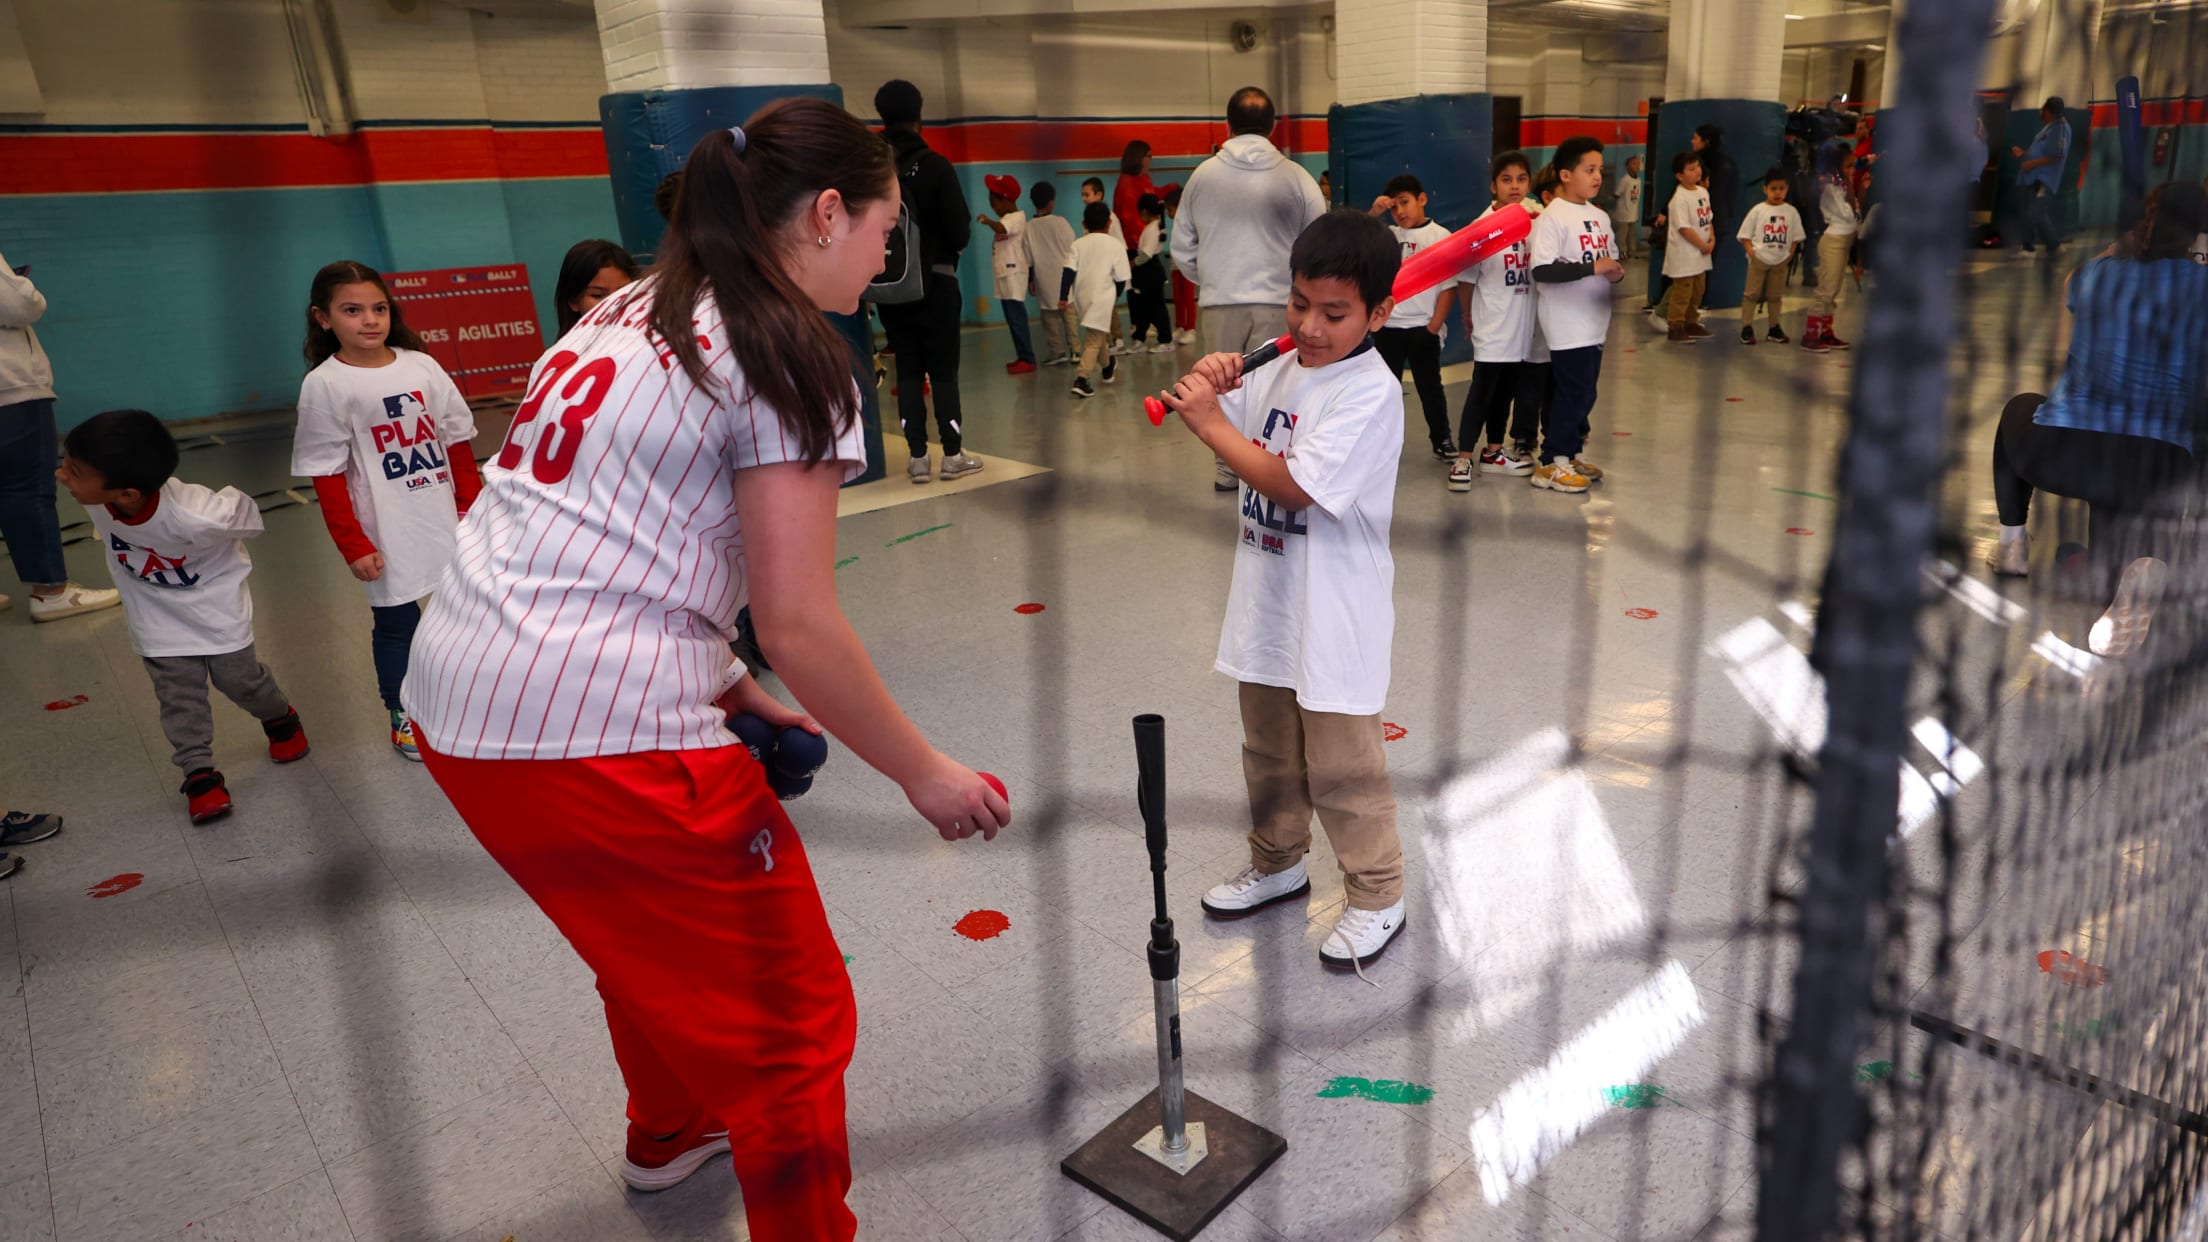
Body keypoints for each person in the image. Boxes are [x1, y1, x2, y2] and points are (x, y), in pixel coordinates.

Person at [405, 104, 1008, 1239]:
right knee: (791, 1026)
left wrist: (721, 680)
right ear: (828, 213)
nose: (890, 251)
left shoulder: (627, 307)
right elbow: (801, 620)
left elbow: (601, 531)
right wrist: (925, 771)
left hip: (463, 708)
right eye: (883, 225)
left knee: (646, 951)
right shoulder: (792, 353)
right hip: (600, 737)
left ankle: (672, 1139)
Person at [1157, 210, 1409, 972]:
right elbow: (1227, 407)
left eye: (1335, 313)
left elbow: (1293, 483)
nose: (1310, 325)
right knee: (1268, 752)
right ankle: (1278, 862)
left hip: (1336, 615)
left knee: (1344, 768)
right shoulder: (1281, 363)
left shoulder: (1371, 391)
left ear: (1378, 313)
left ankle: (1378, 894)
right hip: (1269, 604)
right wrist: (1212, 380)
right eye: (1300, 304)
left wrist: (1208, 425)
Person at [58, 409, 310, 822]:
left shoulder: (198, 513)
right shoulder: (103, 497)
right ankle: (199, 774)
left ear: (128, 493)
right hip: (156, 617)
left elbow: (247, 515)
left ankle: (280, 718)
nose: (62, 476)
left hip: (215, 608)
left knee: (240, 681)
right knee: (179, 696)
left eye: (73, 470)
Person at [290, 260, 482, 761]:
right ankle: (403, 712)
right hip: (384, 533)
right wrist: (355, 545)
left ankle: (465, 702)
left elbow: (456, 442)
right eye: (352, 310)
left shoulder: (421, 365)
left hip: (445, 522)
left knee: (462, 617)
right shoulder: (325, 385)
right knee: (398, 626)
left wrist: (472, 510)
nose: (369, 320)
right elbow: (327, 475)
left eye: (378, 308)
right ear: (323, 318)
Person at [1175, 85, 1328, 492]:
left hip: (1219, 301)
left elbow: (1181, 247)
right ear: (1273, 127)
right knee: (1275, 385)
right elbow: (1319, 242)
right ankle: (1269, 466)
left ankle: (1228, 472)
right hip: (1282, 303)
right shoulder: (1296, 177)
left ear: (1228, 124)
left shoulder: (1202, 176)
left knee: (1220, 385)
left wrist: (1212, 278)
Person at [0, 255, 121, 623]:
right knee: (26, 487)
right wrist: (24, 286)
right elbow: (20, 305)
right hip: (10, 390)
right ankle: (51, 591)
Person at [873, 80, 982, 486]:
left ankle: (917, 458)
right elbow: (960, 232)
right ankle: (952, 455)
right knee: (943, 373)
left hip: (891, 287)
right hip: (937, 283)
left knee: (908, 371)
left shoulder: (873, 171)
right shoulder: (935, 166)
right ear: (919, 115)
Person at [1529, 137, 1626, 495]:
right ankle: (1553, 462)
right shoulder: (1552, 217)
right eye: (1589, 170)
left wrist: (1614, 271)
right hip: (1567, 322)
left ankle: (1571, 451)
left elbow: (1609, 259)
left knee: (1586, 393)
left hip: (1595, 322)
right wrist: (1591, 267)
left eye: (1600, 169)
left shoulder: (1599, 216)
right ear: (1565, 174)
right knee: (1573, 392)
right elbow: (1542, 270)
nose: (1597, 176)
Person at [1449, 151, 1542, 491]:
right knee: (1482, 391)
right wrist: (1468, 316)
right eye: (1506, 180)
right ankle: (1462, 457)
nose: (1514, 186)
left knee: (1506, 391)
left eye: (1521, 179)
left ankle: (1493, 452)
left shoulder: (1535, 218)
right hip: (1493, 325)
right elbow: (1466, 279)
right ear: (1493, 186)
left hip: (1521, 325)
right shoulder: (1482, 227)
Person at [1368, 173, 1456, 460]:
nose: (1400, 211)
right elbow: (1360, 237)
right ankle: (1380, 443)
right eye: (1394, 207)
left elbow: (1448, 286)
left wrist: (1434, 325)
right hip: (1389, 327)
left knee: (1430, 388)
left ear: (1422, 199)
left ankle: (1442, 440)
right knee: (1384, 390)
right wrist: (1376, 213)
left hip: (1422, 327)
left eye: (1405, 203)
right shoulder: (1388, 235)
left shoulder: (1440, 236)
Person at [1061, 202, 1129, 399]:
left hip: (1082, 298)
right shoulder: (1115, 245)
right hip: (1103, 298)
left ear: (1084, 224)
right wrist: (1113, 296)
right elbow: (1121, 278)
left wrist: (1062, 296)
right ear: (1109, 223)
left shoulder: (1078, 244)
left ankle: (1108, 366)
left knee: (1096, 334)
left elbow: (1068, 271)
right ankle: (1081, 379)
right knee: (1094, 340)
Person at [975, 174, 1037, 374]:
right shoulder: (1006, 218)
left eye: (994, 203)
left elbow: (1002, 228)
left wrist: (988, 221)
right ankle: (1021, 356)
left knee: (1017, 317)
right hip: (1004, 274)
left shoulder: (1016, 218)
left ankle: (1028, 358)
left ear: (1006, 199)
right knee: (1011, 318)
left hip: (1014, 274)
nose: (994, 208)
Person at [1737, 170, 1803, 346]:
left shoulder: (1791, 212)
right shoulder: (1758, 210)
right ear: (1765, 189)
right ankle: (1746, 327)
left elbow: (1796, 236)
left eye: (1781, 188)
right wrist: (1751, 251)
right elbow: (1745, 235)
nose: (1777, 192)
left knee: (1776, 296)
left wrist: (1790, 254)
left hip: (1780, 260)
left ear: (1787, 189)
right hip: (1759, 259)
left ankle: (1774, 327)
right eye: (1773, 188)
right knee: (1751, 294)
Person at [1808, 143, 1859, 352]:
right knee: (1826, 290)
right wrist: (1851, 186)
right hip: (1833, 241)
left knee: (1835, 290)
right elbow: (1849, 214)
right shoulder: (1830, 188)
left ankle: (1826, 332)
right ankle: (1811, 335)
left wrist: (1857, 188)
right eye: (1848, 167)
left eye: (1853, 166)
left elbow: (1856, 212)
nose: (1852, 171)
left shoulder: (1844, 187)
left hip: (1845, 240)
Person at [1662, 151, 1716, 344]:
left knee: (1697, 289)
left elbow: (1708, 219)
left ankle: (1691, 322)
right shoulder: (1679, 198)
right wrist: (1702, 244)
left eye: (1698, 167)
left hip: (1701, 253)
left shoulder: (1703, 192)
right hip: (1685, 253)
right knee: (1682, 291)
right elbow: (1684, 228)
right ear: (1679, 175)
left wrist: (1711, 239)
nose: (1697, 171)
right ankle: (1675, 325)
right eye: (1691, 169)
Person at [1024, 183, 1078, 366]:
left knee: (1049, 317)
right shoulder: (1061, 222)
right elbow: (1073, 246)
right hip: (1063, 275)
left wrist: (1030, 279)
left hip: (1042, 277)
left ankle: (1057, 351)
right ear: (1052, 202)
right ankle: (1076, 349)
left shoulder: (1029, 227)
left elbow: (1028, 255)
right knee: (1068, 314)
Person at [2011, 96, 2072, 256]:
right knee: (2027, 213)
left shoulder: (2061, 129)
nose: (2041, 114)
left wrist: (2031, 164)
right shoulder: (2048, 128)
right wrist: (2024, 154)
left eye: (2043, 111)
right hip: (2030, 177)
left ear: (2049, 111)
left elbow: (2057, 155)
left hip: (2044, 179)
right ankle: (2028, 246)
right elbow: (2040, 151)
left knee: (2036, 213)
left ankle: (2055, 245)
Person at [553, 240, 640, 338]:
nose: (614, 304)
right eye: (598, 295)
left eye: (624, 292)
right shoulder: (567, 351)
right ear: (573, 301)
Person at [1128, 193, 1175, 352]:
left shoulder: (1151, 229)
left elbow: (1147, 254)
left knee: (1156, 307)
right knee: (1144, 307)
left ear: (1144, 211)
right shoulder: (1155, 227)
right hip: (1149, 271)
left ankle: (1166, 340)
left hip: (1150, 271)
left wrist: (1133, 263)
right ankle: (1140, 338)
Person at [1165, 185, 1199, 344]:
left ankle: (1190, 328)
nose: (1168, 213)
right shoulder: (1175, 225)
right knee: (1178, 297)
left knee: (1188, 298)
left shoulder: (1190, 222)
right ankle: (1180, 325)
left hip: (1187, 266)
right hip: (1175, 265)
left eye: (1170, 209)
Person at [1112, 140, 1160, 249]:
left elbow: (1152, 194)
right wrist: (1147, 243)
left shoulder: (1143, 178)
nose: (1151, 160)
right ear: (1138, 158)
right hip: (1132, 246)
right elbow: (1132, 221)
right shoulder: (1127, 185)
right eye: (1148, 156)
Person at [1613, 155, 1644, 261]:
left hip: (1633, 212)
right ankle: (1622, 252)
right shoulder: (1625, 180)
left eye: (1637, 163)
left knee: (1632, 234)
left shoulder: (1638, 180)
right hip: (1624, 213)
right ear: (1627, 166)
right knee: (1623, 234)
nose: (1637, 166)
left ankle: (1632, 251)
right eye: (1633, 163)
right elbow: (1617, 194)